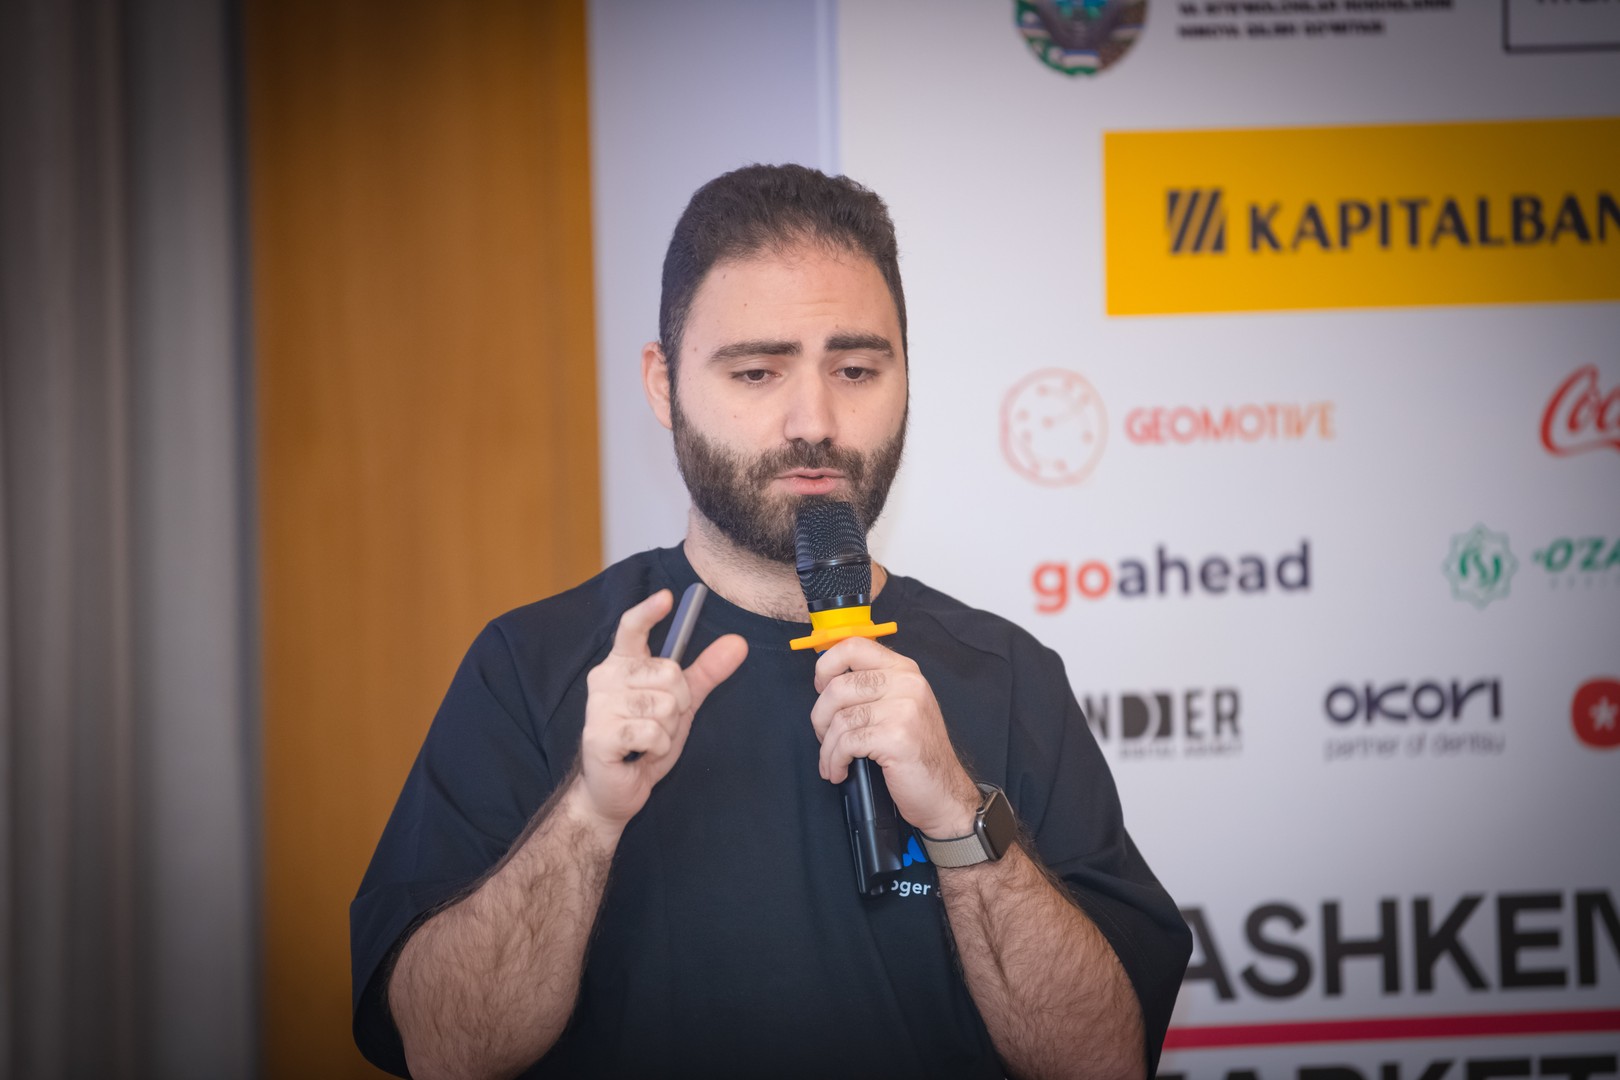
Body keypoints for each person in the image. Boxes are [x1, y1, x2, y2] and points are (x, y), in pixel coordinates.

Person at [351, 164, 1191, 1080]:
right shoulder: (531, 667)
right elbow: (444, 1050)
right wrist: (587, 816)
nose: (814, 421)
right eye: (757, 371)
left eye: (856, 370)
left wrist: (958, 816)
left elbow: (1105, 1058)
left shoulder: (1008, 674)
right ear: (663, 384)